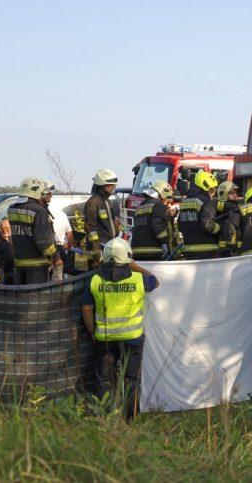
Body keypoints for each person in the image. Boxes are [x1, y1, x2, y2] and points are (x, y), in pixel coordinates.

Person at [81, 238, 160, 419]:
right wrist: (133, 265)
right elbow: (155, 281)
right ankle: (130, 419)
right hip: (132, 339)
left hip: (105, 339)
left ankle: (105, 416)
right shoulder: (139, 279)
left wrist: (92, 332)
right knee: (132, 380)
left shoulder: (95, 280)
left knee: (105, 380)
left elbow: (86, 309)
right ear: (127, 257)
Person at [7, 177, 60, 285]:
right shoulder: (39, 210)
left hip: (19, 263)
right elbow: (43, 241)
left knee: (22, 298)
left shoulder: (11, 209)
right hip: (37, 266)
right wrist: (56, 258)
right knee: (36, 299)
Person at [177, 169, 221, 259]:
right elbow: (208, 225)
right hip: (206, 250)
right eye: (212, 190)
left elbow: (180, 224)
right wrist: (220, 229)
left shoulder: (185, 202)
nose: (213, 193)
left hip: (188, 250)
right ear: (206, 188)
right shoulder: (206, 202)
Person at [131, 180, 178, 260]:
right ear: (162, 195)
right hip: (153, 251)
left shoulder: (141, 205)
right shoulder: (158, 205)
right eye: (167, 199)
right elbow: (158, 226)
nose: (167, 203)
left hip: (136, 251)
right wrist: (165, 242)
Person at [84, 168, 120, 267]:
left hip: (108, 248)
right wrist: (97, 251)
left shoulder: (107, 201)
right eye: (110, 184)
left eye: (114, 184)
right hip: (99, 250)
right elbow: (91, 229)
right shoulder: (92, 203)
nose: (113, 187)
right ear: (101, 185)